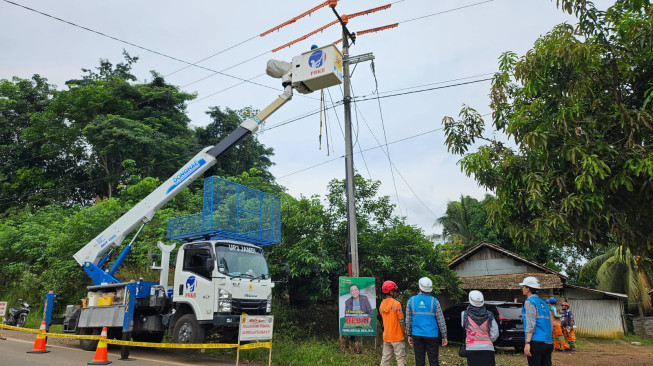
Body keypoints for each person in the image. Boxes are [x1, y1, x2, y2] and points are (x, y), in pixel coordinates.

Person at [406, 277, 448, 366]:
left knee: (419, 361)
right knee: (433, 361)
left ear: (419, 287)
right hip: (432, 335)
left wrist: (409, 334)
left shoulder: (411, 301)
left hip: (417, 335)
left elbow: (408, 320)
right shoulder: (434, 301)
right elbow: (441, 320)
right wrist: (444, 336)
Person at [519, 276, 553, 366]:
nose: (522, 289)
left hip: (536, 342)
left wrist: (527, 343)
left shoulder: (529, 302)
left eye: (523, 286)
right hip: (548, 342)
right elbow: (550, 324)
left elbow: (531, 323)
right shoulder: (543, 303)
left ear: (528, 289)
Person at [461, 290, 499, 366]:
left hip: (471, 347)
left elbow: (463, 325)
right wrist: (488, 340)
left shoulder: (464, 314)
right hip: (488, 348)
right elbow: (495, 333)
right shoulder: (489, 314)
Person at [380, 280, 406, 366]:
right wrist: (403, 331)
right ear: (391, 292)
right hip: (397, 337)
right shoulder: (397, 304)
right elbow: (401, 321)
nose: (396, 293)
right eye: (395, 291)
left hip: (386, 336)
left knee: (385, 358)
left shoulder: (381, 305)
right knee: (400, 358)